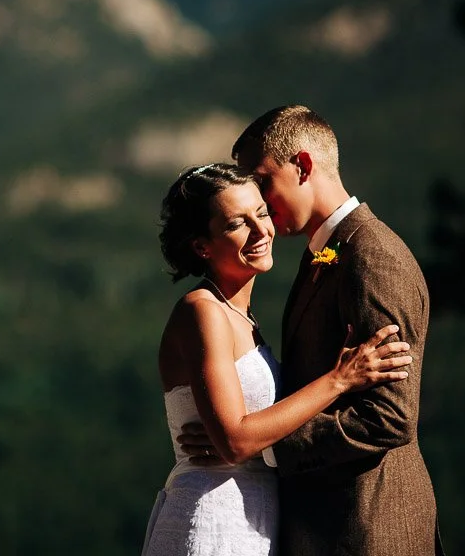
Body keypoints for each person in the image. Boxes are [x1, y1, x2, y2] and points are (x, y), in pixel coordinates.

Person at [181, 106, 443, 555]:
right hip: (326, 527)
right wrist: (244, 431)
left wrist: (261, 450)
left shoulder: (373, 257)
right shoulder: (323, 255)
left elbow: (390, 417)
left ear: (302, 166)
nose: (258, 204)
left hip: (367, 526)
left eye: (261, 182)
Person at [141, 162, 414, 556]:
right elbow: (235, 442)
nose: (261, 230)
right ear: (202, 246)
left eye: (262, 213)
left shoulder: (243, 318)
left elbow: (253, 431)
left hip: (256, 521)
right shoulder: (202, 311)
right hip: (213, 520)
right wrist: (339, 379)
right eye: (238, 223)